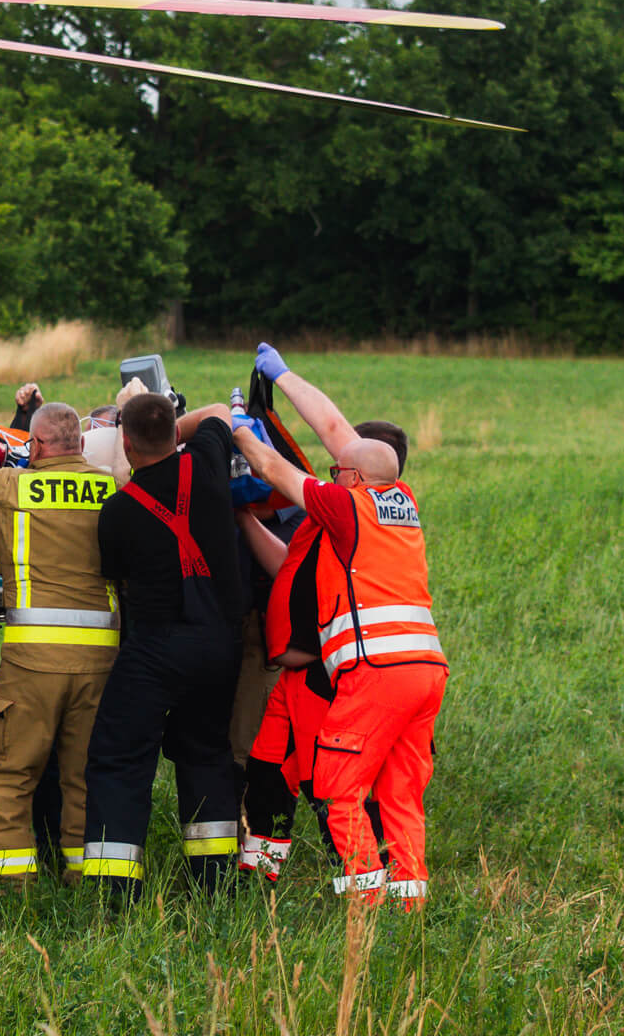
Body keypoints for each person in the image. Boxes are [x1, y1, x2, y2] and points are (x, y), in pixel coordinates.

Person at [232, 362, 447, 909]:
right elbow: (335, 430)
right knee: (398, 790)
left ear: (350, 479)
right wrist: (282, 375)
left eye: (336, 471)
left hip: (372, 673)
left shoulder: (346, 506)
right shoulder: (402, 502)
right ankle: (407, 902)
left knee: (334, 785)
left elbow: (274, 468)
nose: (330, 474)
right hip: (423, 670)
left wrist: (233, 424)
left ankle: (365, 902)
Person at [0, 402, 118, 880]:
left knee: (8, 773)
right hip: (102, 661)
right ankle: (87, 880)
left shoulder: (11, 487)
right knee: (85, 777)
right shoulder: (113, 488)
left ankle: (14, 890)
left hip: (34, 662)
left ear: (36, 446)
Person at [82, 392, 247, 899]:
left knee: (119, 757)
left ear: (125, 444)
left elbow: (118, 580)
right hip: (221, 644)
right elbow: (220, 412)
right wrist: (180, 423)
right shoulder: (207, 465)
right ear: (176, 434)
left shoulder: (116, 512)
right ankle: (214, 882)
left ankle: (115, 888)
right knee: (207, 753)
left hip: (156, 647)